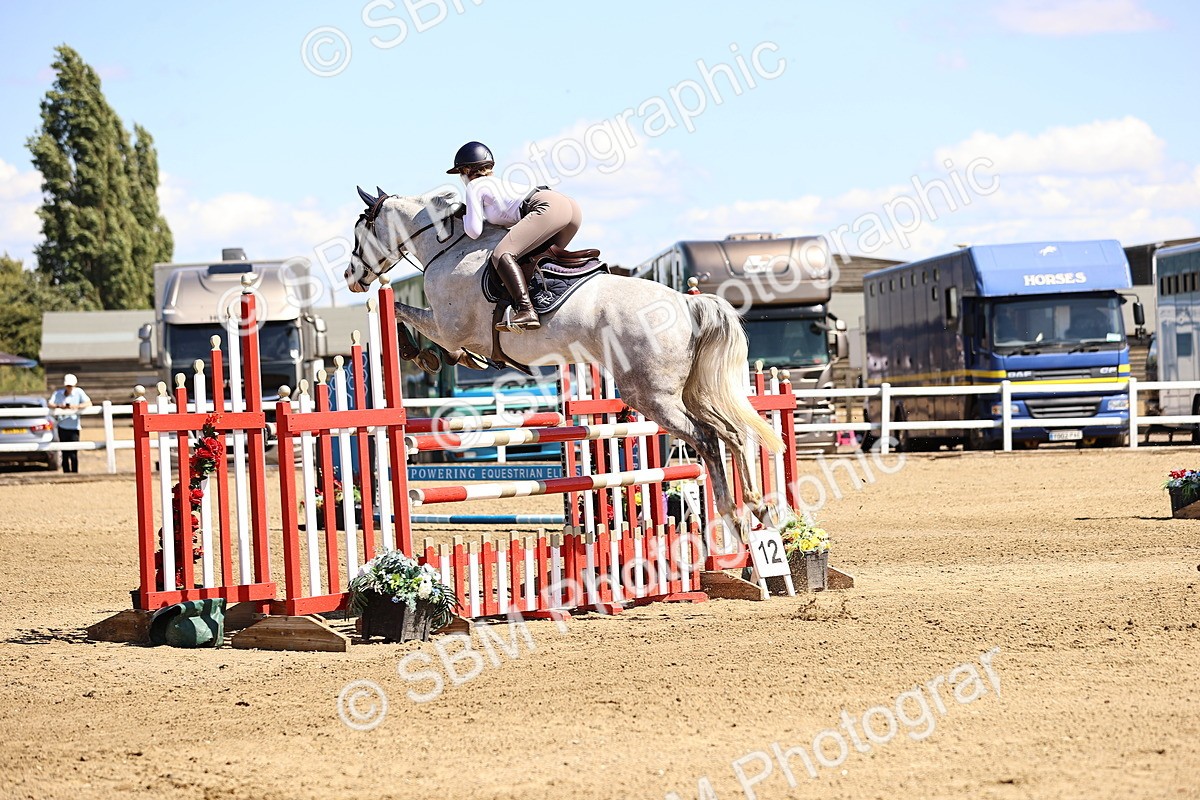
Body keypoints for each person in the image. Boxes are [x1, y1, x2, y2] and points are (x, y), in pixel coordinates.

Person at [447, 141, 583, 331]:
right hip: (569, 208)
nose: (461, 177)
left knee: (501, 255)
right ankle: (547, 299)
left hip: (546, 207)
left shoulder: (475, 186)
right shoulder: (497, 186)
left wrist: (462, 214)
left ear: (467, 170)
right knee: (534, 259)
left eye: (460, 172)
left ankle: (526, 310)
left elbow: (474, 231)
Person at [48, 373, 90, 473]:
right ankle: (66, 472)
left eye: (70, 386)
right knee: (64, 453)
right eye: (67, 385)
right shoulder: (58, 393)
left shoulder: (79, 392)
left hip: (74, 427)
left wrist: (76, 407)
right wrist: (59, 406)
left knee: (73, 453)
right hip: (62, 426)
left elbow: (88, 403)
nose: (69, 388)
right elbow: (50, 403)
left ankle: (75, 472)